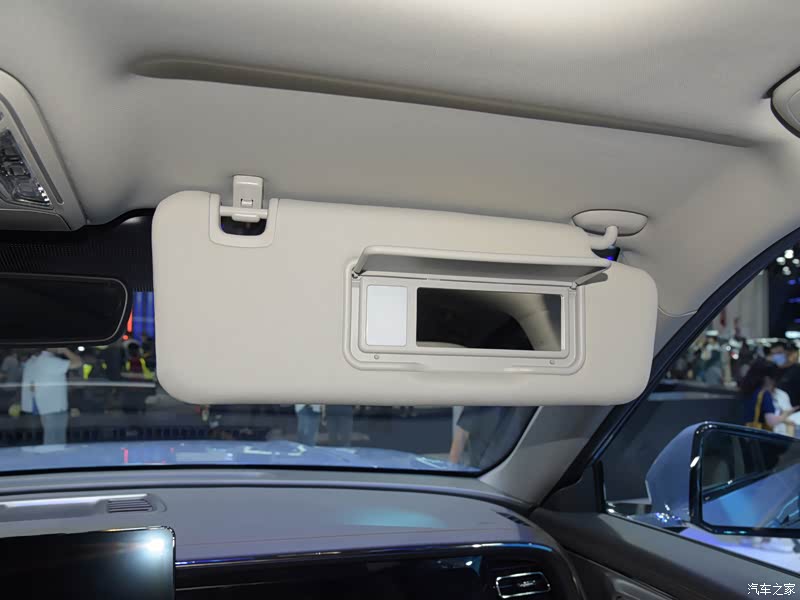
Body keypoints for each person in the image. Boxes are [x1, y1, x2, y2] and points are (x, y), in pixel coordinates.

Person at [21, 348, 81, 445]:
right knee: (56, 440)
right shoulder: (50, 361)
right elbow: (78, 363)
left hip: (42, 406)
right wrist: (66, 351)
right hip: (55, 407)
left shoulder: (31, 362)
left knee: (50, 438)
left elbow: (32, 386)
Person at [449, 406, 533, 469]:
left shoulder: (519, 408)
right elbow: (461, 436)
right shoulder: (479, 401)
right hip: (479, 471)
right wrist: (452, 470)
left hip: (506, 470)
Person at [741, 359, 798, 431]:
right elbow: (771, 422)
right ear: (767, 379)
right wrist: (785, 414)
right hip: (760, 435)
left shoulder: (748, 391)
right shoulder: (765, 395)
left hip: (745, 432)